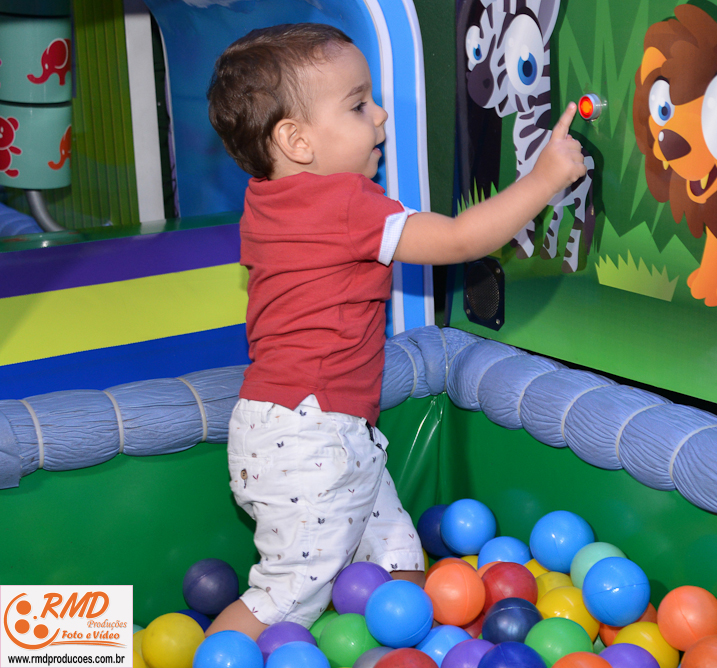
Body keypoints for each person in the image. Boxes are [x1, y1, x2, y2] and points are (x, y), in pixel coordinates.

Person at [204, 23, 587, 639]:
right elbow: (459, 240)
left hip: (303, 430)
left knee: (400, 562)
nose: (380, 115)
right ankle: (222, 652)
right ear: (297, 141)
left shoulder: (266, 201)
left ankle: (403, 650)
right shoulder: (346, 204)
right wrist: (543, 179)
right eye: (358, 105)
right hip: (310, 437)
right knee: (287, 595)